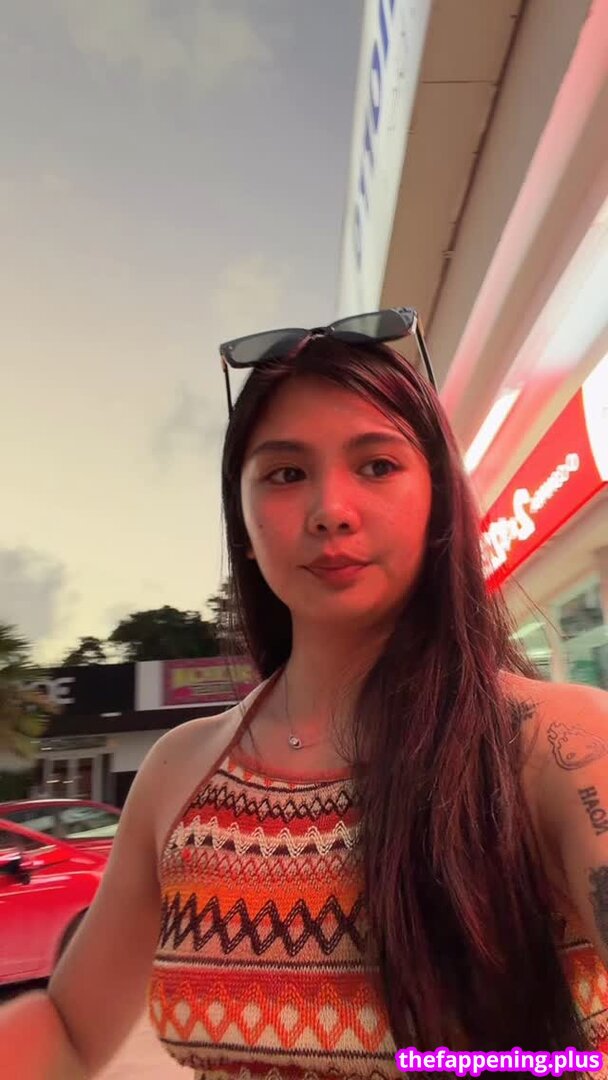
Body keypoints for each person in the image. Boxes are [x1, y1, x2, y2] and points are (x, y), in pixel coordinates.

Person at [2, 309, 608, 1080]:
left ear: (438, 499)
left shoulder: (556, 745)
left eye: (377, 465)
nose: (331, 511)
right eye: (286, 474)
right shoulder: (180, 771)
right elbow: (69, 1028)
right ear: (244, 524)